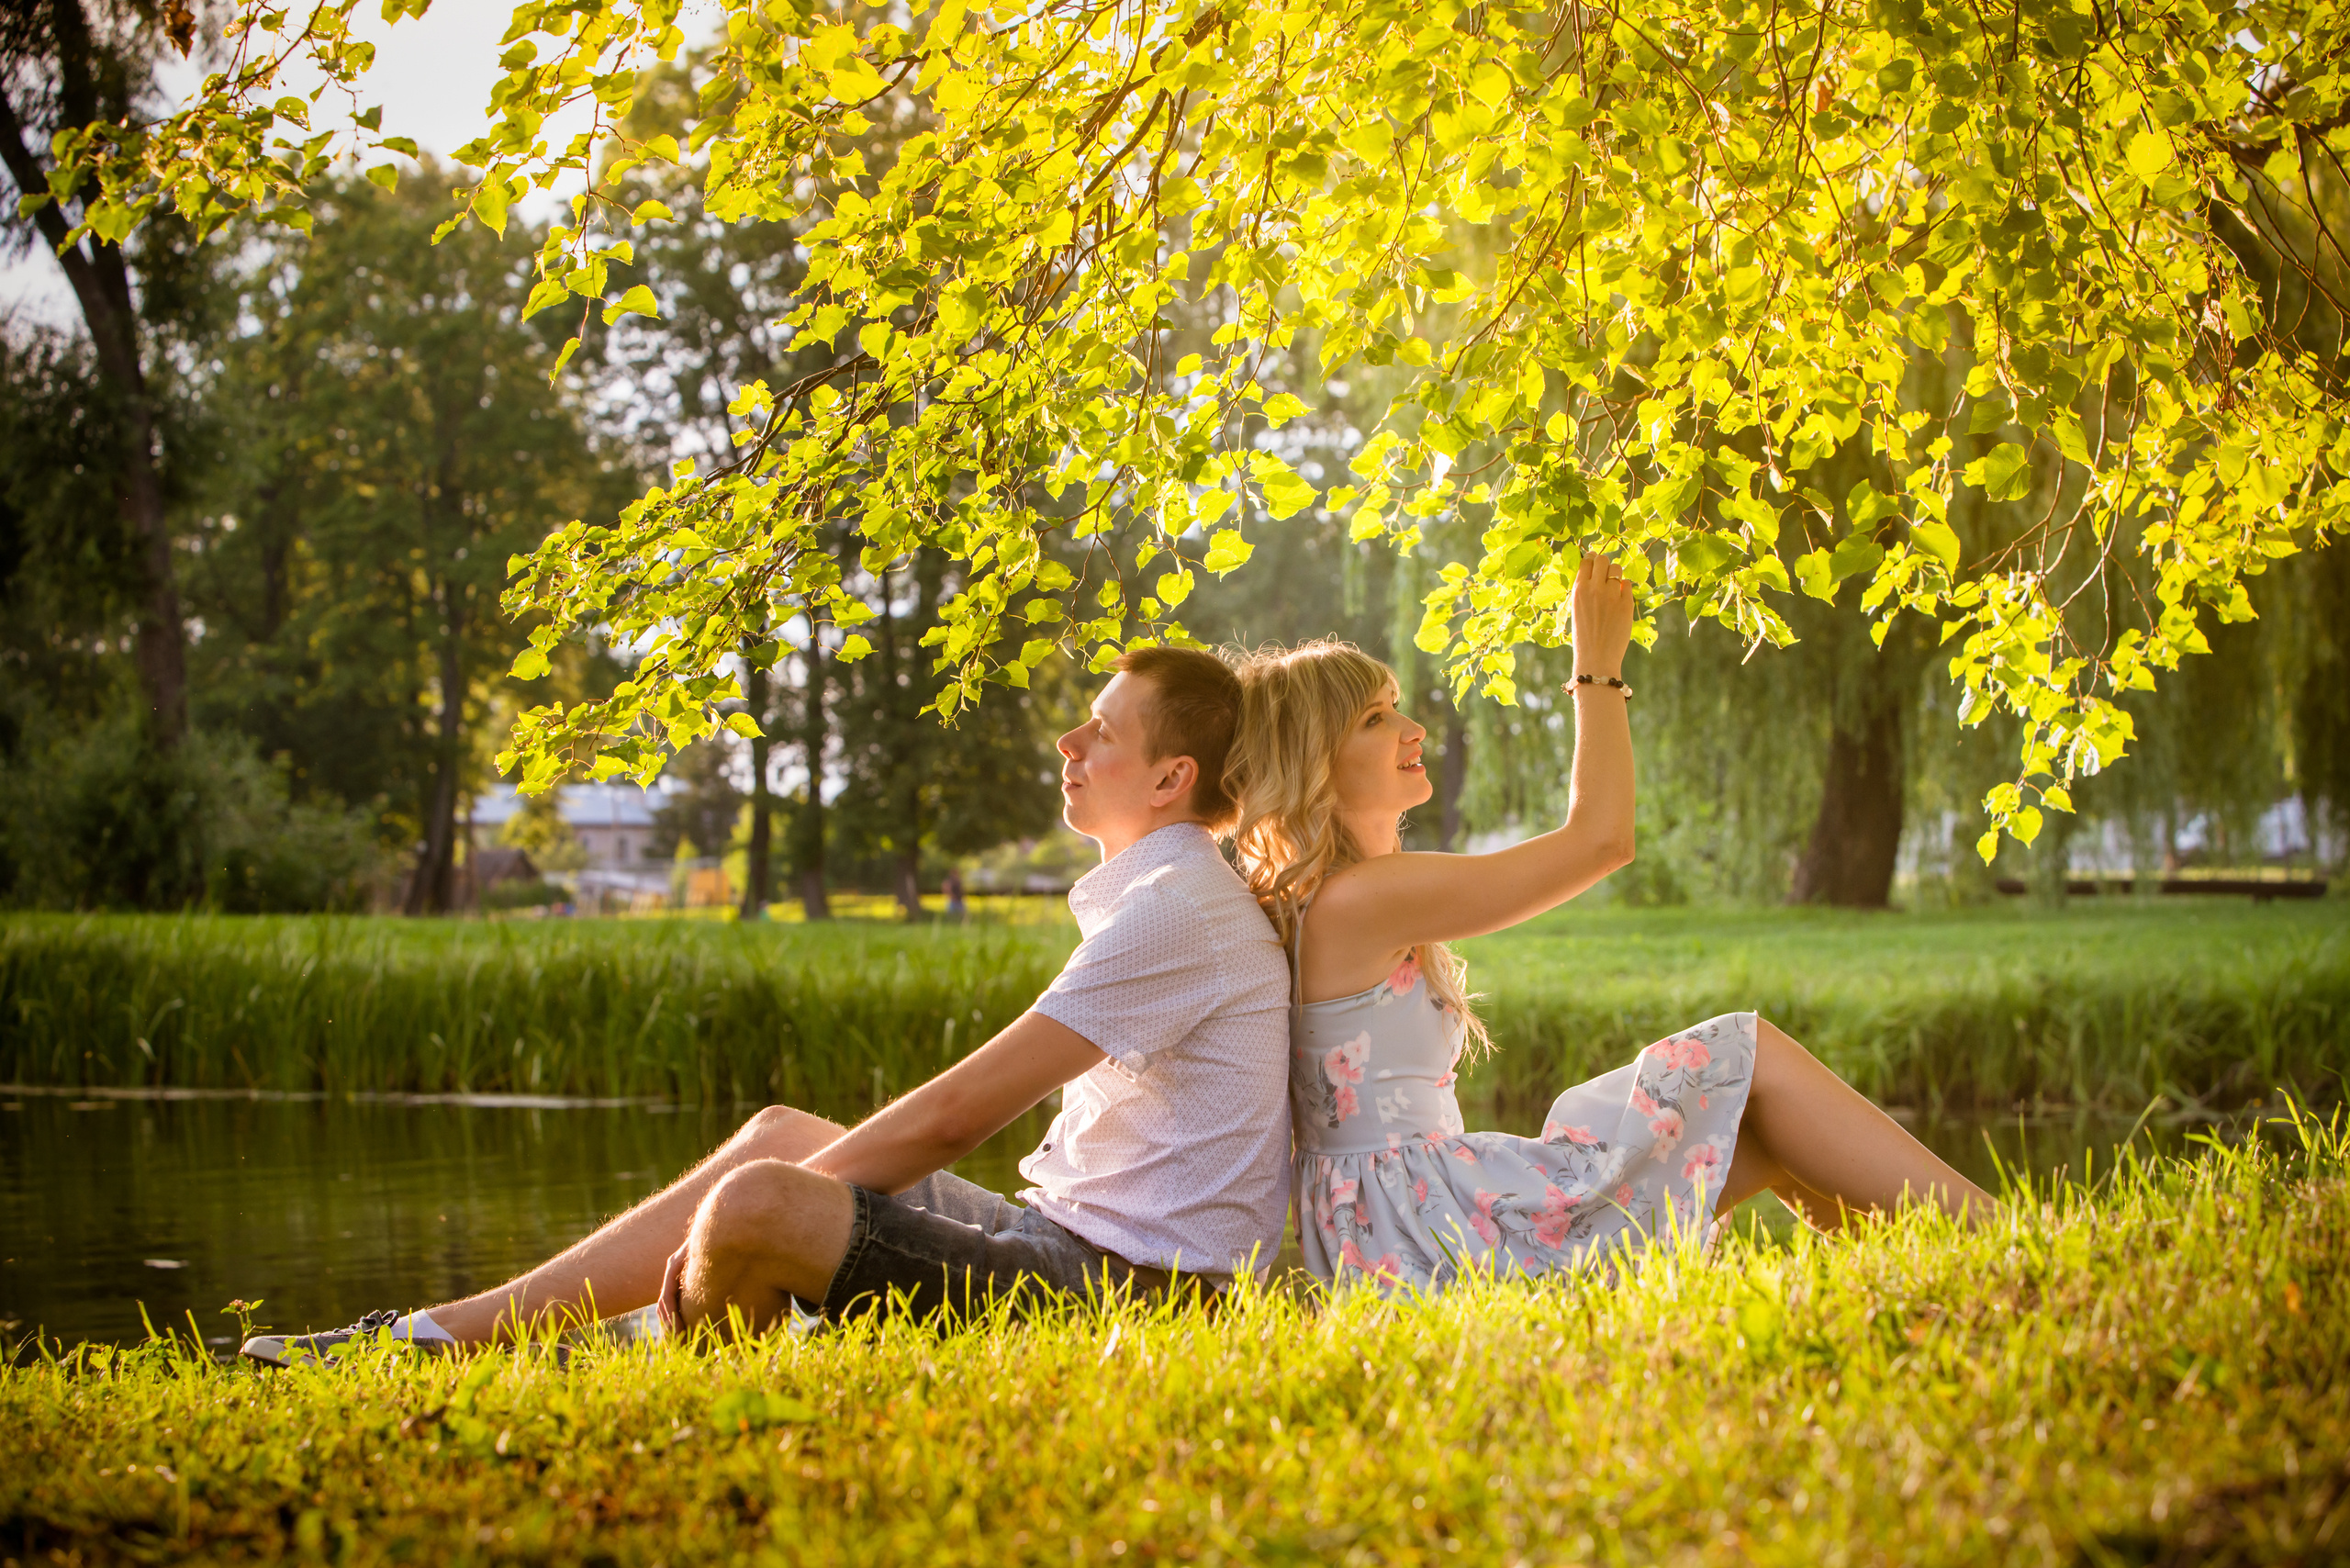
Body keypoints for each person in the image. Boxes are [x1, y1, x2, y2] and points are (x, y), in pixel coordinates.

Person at [241, 647, 1291, 1363]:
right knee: (779, 1137)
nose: (1068, 741)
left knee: (754, 1204)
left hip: (1129, 1296)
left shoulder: (1175, 906)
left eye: (1100, 731)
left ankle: (674, 1382)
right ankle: (440, 1336)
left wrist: (730, 1222)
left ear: (1169, 779)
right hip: (1068, 1241)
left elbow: (951, 1119)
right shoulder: (1169, 892)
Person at [1225, 555, 1992, 1294]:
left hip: (1405, 1220)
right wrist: (1596, 666)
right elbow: (1601, 842)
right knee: (1740, 1052)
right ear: (1316, 761)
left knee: (1749, 1128)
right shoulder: (1358, 899)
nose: (1413, 727)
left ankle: (1956, 1266)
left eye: (1396, 705)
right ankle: (2005, 1238)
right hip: (1426, 1231)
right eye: (1375, 718)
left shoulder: (1341, 896)